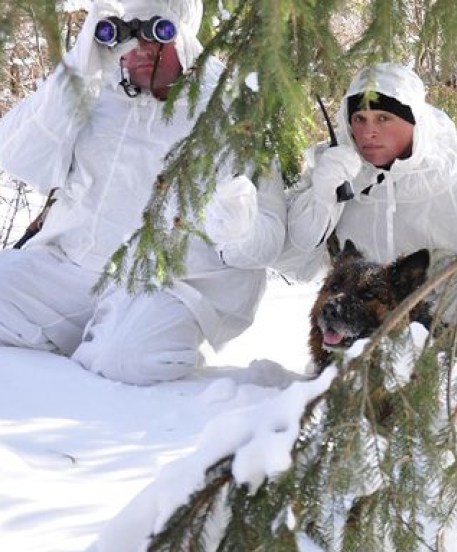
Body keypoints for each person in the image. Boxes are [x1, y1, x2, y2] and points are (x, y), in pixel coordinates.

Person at [0, 0, 286, 385]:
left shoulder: (231, 111)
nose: (141, 47)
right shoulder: (92, 91)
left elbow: (269, 239)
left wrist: (240, 231)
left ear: (183, 37)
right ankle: (86, 338)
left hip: (167, 286)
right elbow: (16, 154)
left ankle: (119, 345)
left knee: (124, 358)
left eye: (157, 33)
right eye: (126, 32)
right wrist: (78, 66)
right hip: (72, 270)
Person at [282, 62, 457, 319]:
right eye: (359, 119)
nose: (368, 132)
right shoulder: (339, 174)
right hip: (361, 347)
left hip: (451, 346)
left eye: (384, 118)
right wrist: (322, 197)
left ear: (415, 121)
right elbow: (293, 260)